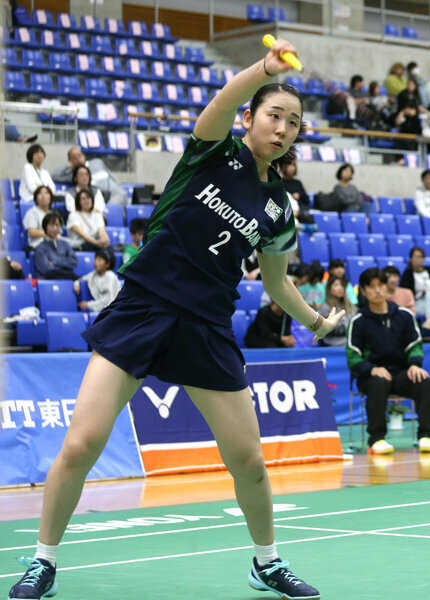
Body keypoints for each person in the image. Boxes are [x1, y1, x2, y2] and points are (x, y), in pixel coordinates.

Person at [7, 38, 341, 600]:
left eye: (294, 123)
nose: (282, 129)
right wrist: (264, 68)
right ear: (251, 118)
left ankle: (267, 560)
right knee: (80, 445)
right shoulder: (212, 152)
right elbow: (220, 101)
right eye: (273, 115)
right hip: (144, 308)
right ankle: (44, 561)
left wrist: (315, 319)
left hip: (206, 326)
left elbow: (277, 282)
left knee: (249, 462)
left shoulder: (281, 206)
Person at [346, 267, 430, 454]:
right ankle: (376, 439)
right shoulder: (358, 321)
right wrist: (372, 369)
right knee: (378, 383)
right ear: (363, 291)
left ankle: (426, 436)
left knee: (424, 382)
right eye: (371, 287)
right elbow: (353, 355)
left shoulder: (404, 315)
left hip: (401, 373)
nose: (377, 290)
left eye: (381, 285)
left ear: (387, 288)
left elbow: (415, 345)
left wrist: (414, 364)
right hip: (371, 376)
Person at [52, 146, 128, 206]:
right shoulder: (74, 175)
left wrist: (120, 187)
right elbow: (54, 176)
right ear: (70, 161)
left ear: (83, 155)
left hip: (116, 192)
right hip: (101, 198)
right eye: (74, 157)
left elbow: (112, 176)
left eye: (79, 155)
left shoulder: (97, 162)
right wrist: (67, 166)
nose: (78, 159)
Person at [400, 246, 430, 339]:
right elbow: (405, 293)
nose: (418, 260)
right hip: (419, 303)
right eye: (416, 257)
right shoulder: (408, 273)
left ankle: (429, 320)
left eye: (421, 257)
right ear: (410, 259)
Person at [33, 212, 78, 280]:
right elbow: (45, 269)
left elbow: (73, 262)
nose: (54, 228)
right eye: (51, 225)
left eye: (57, 225)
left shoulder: (65, 244)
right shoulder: (40, 248)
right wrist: (64, 262)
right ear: (45, 227)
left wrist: (54, 262)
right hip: (51, 279)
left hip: (68, 276)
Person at [317, 276, 356, 347]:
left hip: (350, 338)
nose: (340, 288)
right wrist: (351, 327)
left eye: (342, 285)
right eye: (336, 285)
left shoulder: (350, 305)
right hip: (333, 341)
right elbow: (328, 329)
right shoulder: (325, 307)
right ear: (329, 289)